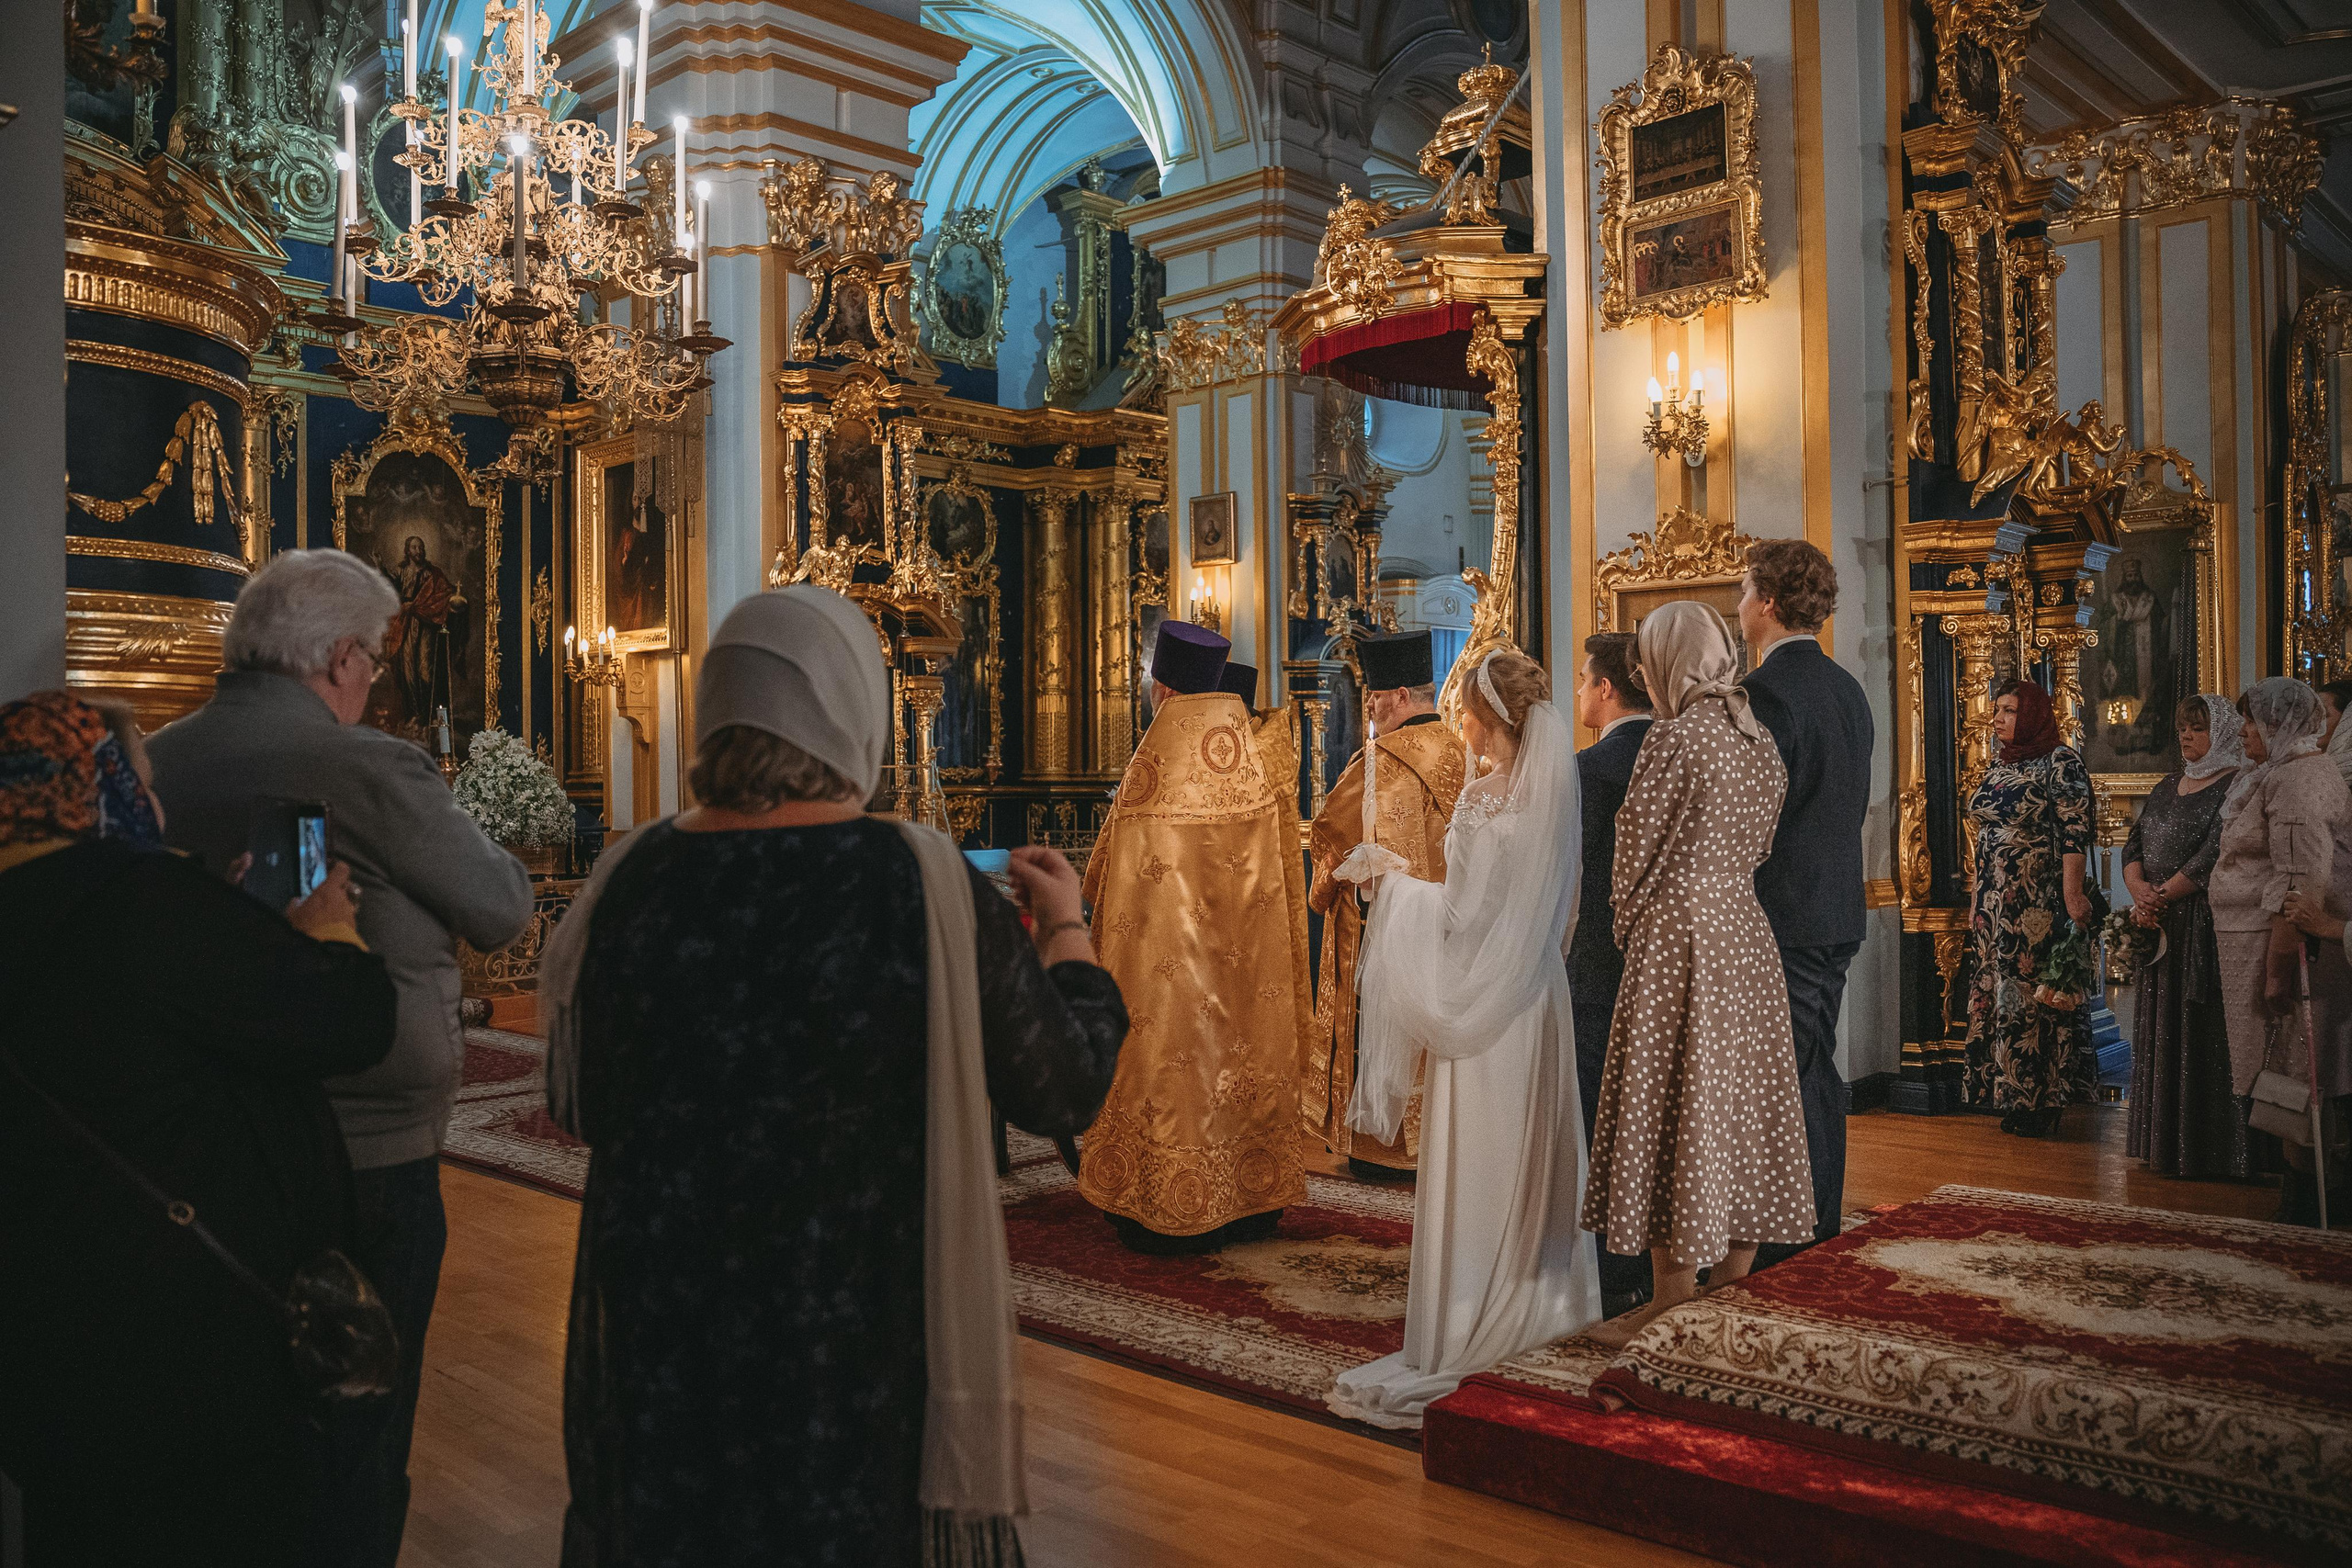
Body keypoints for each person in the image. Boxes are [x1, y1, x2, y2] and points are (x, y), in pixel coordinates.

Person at [541, 586, 1125, 1567]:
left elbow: (584, 1102)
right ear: (853, 708)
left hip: (668, 1330)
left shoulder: (633, 875)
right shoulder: (916, 878)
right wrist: (1066, 926)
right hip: (854, 1340)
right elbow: (1063, 1085)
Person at [146, 548, 536, 1568]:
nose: (373, 680)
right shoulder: (365, 766)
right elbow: (500, 905)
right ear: (337, 659)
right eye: (373, 659)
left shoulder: (161, 758)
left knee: (242, 1418)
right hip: (366, 1150)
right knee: (357, 1427)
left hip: (208, 1142)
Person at [0, 691, 396, 1567]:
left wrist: (227, 922)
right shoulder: (137, 896)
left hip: (46, 1346)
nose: (156, 804)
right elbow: (347, 1019)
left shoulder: (35, 903)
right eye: (141, 781)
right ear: (99, 784)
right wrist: (328, 930)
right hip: (186, 1349)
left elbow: (135, 1018)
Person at [1327, 650, 1598, 1426]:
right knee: (1529, 1147)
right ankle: (1545, 1300)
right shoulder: (1555, 790)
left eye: (1467, 715)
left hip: (1484, 1002)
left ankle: (1469, 1308)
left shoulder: (1481, 799)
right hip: (1537, 994)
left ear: (1485, 717)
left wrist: (1388, 885)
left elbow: (1458, 916)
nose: (1462, 728)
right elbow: (1558, 908)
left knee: (1481, 1150)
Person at [1583, 602, 1815, 1348]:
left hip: (1680, 935)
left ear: (1666, 661)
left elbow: (1636, 849)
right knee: (1738, 1106)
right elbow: (1765, 841)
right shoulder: (1756, 735)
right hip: (1745, 931)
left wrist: (1630, 924)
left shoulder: (1674, 737)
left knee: (1672, 1104)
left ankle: (1670, 1297)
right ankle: (1731, 1285)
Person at [1078, 620, 1314, 1253]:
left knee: (1176, 1063)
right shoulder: (1255, 763)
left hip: (1171, 975)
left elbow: (1103, 874)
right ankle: (1250, 1199)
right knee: (1244, 1055)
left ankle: (1165, 1201)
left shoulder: (1154, 769)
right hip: (1249, 970)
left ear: (1162, 690)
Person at [1735, 540, 1872, 1261]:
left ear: (1767, 601)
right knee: (1813, 1066)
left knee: (1778, 1076)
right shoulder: (1848, 688)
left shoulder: (1763, 695)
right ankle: (1815, 1221)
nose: (1739, 604)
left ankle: (1784, 1233)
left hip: (1783, 911)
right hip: (1838, 906)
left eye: (1744, 590)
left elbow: (1753, 817)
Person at [1305, 629, 1466, 1179]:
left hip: (1386, 931)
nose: (1370, 710)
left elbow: (1331, 836)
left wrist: (1323, 890)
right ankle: (1436, 1140)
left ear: (1399, 696)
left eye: (1374, 698)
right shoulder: (1465, 752)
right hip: (1451, 928)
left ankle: (1382, 1148)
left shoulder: (1377, 760)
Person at [2210, 678, 2347, 1224]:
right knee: (2286, 1071)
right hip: (2254, 941)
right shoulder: (2278, 772)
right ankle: (2300, 1194)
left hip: (2279, 948)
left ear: (2278, 723)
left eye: (2251, 720)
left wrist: (2277, 971)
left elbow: (2299, 883)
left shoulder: (2297, 779)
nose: (2242, 731)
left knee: (2298, 1072)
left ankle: (2307, 1203)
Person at [1960, 680, 2098, 1136]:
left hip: (2035, 902)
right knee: (2000, 994)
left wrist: (2073, 895)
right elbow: (1984, 838)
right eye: (1997, 709)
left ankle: (2043, 1099)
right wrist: (1977, 898)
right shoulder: (1999, 764)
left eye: (2010, 711)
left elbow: (2075, 833)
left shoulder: (2061, 762)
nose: (1998, 718)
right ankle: (2012, 1093)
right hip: (1993, 907)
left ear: (2034, 715)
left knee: (2031, 996)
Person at [2122, 695, 2247, 1179]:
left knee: (2200, 1028)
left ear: (2223, 732)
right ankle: (2163, 1144)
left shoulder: (2237, 784)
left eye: (2197, 728)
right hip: (2160, 921)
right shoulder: (2166, 784)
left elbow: (2215, 853)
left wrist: (2160, 896)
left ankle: (2206, 1150)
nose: (2186, 736)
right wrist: (2138, 890)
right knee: (2160, 1025)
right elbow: (2134, 844)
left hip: (2201, 923)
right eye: (2181, 728)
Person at [1566, 632, 1654, 1312]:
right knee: (1654, 1113)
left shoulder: (1591, 769)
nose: (1578, 692)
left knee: (1600, 1116)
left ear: (1605, 689)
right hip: (1662, 960)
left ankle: (1610, 1267)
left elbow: (1568, 872)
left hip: (1599, 959)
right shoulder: (1677, 751)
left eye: (1582, 680)